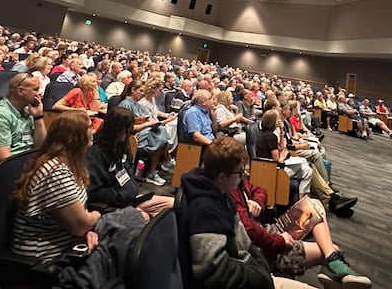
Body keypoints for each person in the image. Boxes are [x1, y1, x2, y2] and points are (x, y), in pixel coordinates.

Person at [11, 110, 147, 265]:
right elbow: (80, 224)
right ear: (73, 137)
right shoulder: (55, 173)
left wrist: (88, 228)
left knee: (134, 225)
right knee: (135, 222)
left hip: (70, 243)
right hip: (46, 259)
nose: (95, 130)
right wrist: (95, 216)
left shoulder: (72, 164)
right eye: (89, 127)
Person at [179, 136, 315, 289]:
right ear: (223, 177)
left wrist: (259, 268)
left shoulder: (220, 191)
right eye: (240, 172)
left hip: (252, 270)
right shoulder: (205, 211)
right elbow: (213, 272)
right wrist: (259, 276)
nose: (242, 176)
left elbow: (245, 244)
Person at [230, 176, 371, 288]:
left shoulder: (236, 180)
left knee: (315, 204)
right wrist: (279, 240)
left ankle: (332, 260)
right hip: (264, 245)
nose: (243, 173)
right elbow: (248, 230)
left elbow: (260, 190)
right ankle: (332, 259)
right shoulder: (226, 193)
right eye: (239, 170)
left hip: (268, 229)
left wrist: (257, 201)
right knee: (331, 248)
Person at [86, 107, 174, 215]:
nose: (129, 131)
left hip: (132, 198)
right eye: (126, 128)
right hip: (113, 205)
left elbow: (128, 169)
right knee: (145, 219)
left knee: (173, 206)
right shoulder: (94, 153)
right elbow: (93, 192)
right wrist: (120, 196)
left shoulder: (123, 144)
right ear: (116, 129)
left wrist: (131, 189)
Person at [117, 80, 170, 185]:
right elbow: (128, 128)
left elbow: (143, 120)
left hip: (142, 130)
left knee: (161, 131)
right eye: (140, 91)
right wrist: (147, 124)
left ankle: (155, 169)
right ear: (133, 90)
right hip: (132, 135)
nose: (142, 93)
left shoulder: (136, 104)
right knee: (160, 134)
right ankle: (155, 168)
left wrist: (151, 123)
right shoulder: (125, 105)